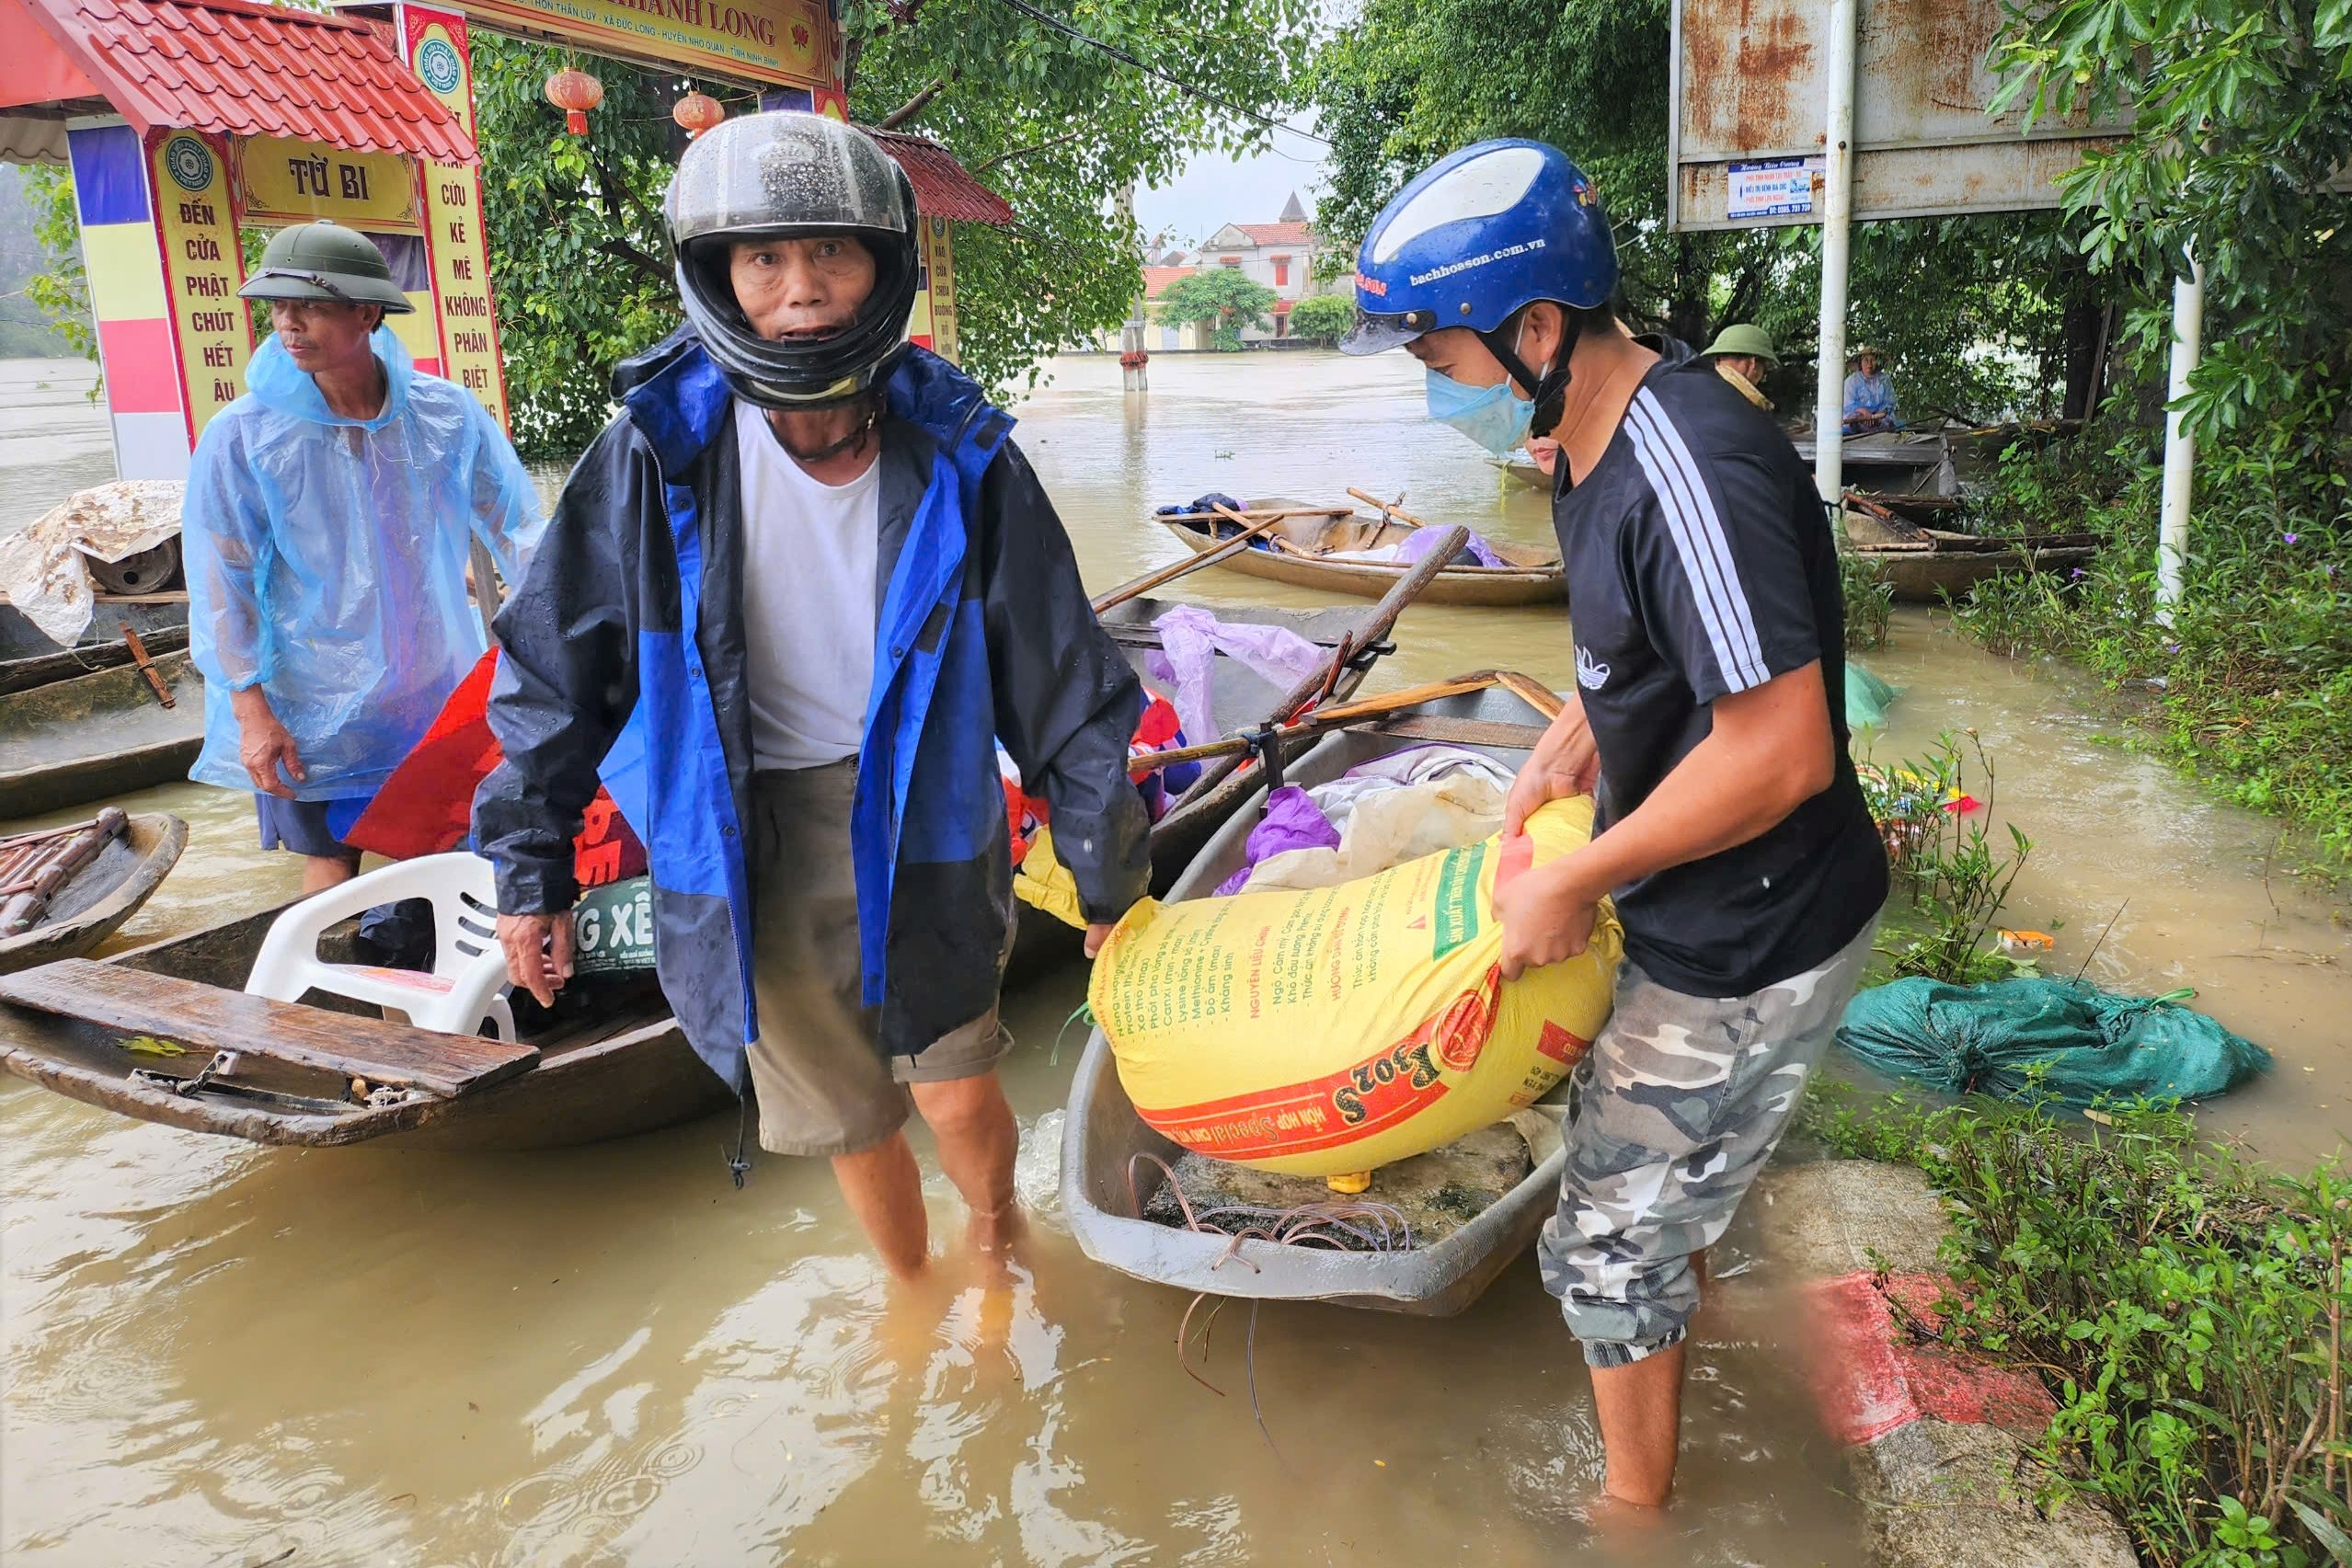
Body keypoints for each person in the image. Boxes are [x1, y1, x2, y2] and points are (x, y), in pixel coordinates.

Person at [473, 114, 1149, 1277]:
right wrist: (527, 872)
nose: (801, 292)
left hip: (924, 810)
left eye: (831, 253)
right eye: (763, 259)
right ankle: (911, 1288)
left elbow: (1059, 675)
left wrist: (1107, 866)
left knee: (953, 1084)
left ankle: (996, 1235)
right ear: (720, 279)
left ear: (882, 266)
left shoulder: (962, 449)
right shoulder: (652, 452)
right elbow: (553, 670)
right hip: (743, 833)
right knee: (844, 1115)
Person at [1339, 140, 1888, 1512]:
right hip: (1701, 900)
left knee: (1597, 1247)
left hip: (1754, 924)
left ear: (1535, 330)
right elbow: (1655, 661)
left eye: (1441, 354)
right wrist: (1562, 751)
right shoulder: (1584, 448)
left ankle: (1636, 1518)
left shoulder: (1688, 465)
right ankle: (1712, 1307)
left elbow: (1782, 752)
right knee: (1642, 1185)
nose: (1435, 386)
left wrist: (1574, 873)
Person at [182, 221, 542, 894]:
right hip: (311, 708)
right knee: (332, 868)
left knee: (443, 860)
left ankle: (424, 1000)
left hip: (435, 691)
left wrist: (564, 648)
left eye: (310, 305)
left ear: (366, 311)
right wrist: (251, 710)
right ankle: (331, 1000)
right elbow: (221, 582)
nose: (287, 324)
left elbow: (523, 533)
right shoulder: (244, 435)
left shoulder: (447, 415)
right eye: (278, 306)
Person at [1701, 323, 1779, 411]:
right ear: (1753, 363)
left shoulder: (1696, 391)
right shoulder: (1749, 412)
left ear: (1717, 361)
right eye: (1765, 367)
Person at [1841, 345, 1899, 434]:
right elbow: (1848, 404)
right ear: (1860, 362)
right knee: (1850, 422)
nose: (1869, 364)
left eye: (1873, 360)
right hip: (1859, 417)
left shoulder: (1885, 379)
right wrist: (1864, 413)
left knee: (1888, 423)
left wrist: (1876, 416)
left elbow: (1889, 403)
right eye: (1866, 360)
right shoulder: (1851, 381)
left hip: (1880, 417)